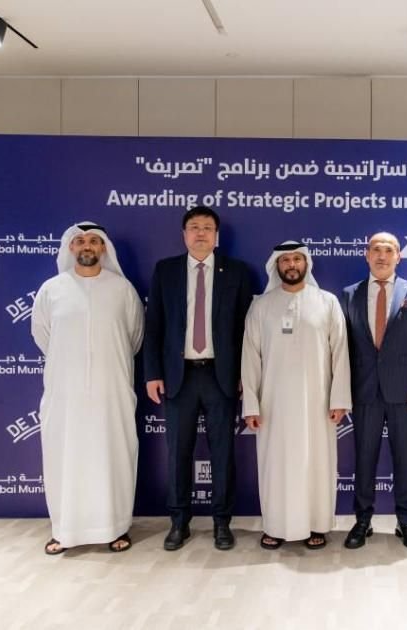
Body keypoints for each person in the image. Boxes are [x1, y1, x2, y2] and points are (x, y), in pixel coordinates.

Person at [143, 206, 253, 551]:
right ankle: (179, 523)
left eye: (207, 227)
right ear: (184, 235)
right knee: (178, 453)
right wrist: (153, 373)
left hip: (221, 376)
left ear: (216, 235)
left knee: (223, 452)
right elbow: (154, 326)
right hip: (179, 377)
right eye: (194, 227)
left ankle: (222, 522)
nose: (201, 233)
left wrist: (244, 375)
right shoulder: (166, 271)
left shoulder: (236, 272)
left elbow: (246, 330)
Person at [31, 222, 144, 555]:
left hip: (112, 393)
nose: (87, 246)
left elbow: (134, 337)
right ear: (71, 248)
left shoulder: (122, 290)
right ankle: (64, 530)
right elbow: (43, 335)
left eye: (94, 241)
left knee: (112, 456)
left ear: (103, 248)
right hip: (65, 395)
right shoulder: (52, 289)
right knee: (65, 457)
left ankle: (115, 528)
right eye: (80, 241)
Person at [241, 241, 352, 550]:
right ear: (276, 266)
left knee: (316, 463)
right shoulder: (261, 306)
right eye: (285, 260)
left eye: (297, 259)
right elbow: (250, 357)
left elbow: (340, 352)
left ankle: (316, 524)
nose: (291, 265)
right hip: (273, 405)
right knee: (276, 465)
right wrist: (251, 404)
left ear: (307, 264)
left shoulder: (327, 302)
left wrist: (339, 399)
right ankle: (276, 526)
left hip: (318, 404)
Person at [340, 232, 407, 550]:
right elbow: (342, 349)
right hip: (363, 392)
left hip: (404, 393)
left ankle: (406, 522)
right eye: (376, 250)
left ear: (398, 256)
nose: (382, 256)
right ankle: (362, 521)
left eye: (389, 250)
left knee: (404, 460)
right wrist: (341, 392)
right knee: (364, 459)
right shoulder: (349, 294)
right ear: (366, 255)